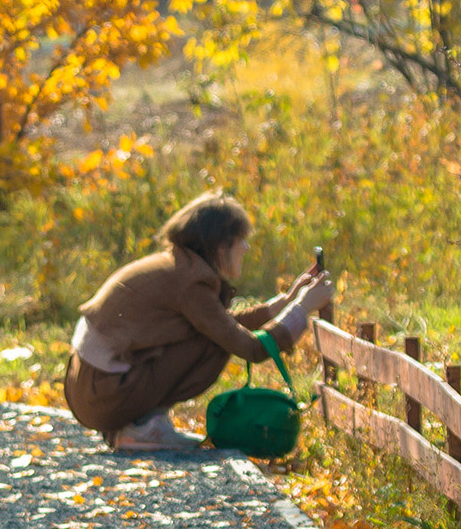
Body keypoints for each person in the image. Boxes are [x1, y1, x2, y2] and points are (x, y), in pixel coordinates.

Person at [64, 189, 334, 451]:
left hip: (93, 387)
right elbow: (249, 348)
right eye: (241, 239)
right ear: (221, 245)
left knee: (214, 337)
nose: (246, 247)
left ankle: (139, 425)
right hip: (102, 395)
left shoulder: (179, 266)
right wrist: (302, 308)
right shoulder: (191, 281)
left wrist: (284, 303)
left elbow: (220, 322)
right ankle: (142, 427)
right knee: (216, 345)